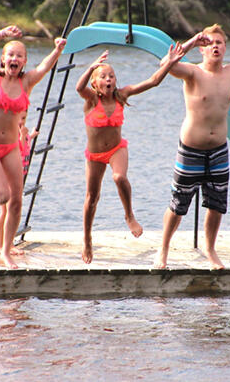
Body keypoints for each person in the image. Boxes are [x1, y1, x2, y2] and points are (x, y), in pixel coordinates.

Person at [154, 24, 230, 269]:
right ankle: (163, 250)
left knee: (216, 204)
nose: (215, 47)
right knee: (178, 205)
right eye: (210, 44)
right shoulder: (192, 73)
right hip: (191, 149)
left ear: (225, 47)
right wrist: (190, 42)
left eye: (219, 43)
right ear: (202, 50)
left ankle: (210, 250)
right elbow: (165, 65)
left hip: (219, 150)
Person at [0, 26, 66, 269]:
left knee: (16, 201)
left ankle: (5, 251)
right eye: (11, 55)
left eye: (19, 56)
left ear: (24, 61)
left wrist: (57, 50)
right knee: (1, 196)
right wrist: (2, 34)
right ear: (3, 59)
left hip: (11, 147)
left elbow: (45, 68)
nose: (14, 59)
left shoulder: (26, 82)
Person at [76, 44, 185, 264]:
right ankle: (87, 239)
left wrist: (171, 62)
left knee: (119, 177)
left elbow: (152, 81)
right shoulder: (91, 100)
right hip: (95, 155)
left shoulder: (121, 96)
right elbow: (79, 87)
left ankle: (129, 216)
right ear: (95, 84)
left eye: (112, 76)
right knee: (92, 198)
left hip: (117, 149)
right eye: (103, 77)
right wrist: (91, 68)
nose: (109, 80)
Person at [0, 110, 37, 255]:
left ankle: (5, 244)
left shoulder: (21, 134)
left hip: (17, 178)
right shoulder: (11, 134)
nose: (21, 122)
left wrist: (30, 135)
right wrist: (23, 135)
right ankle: (5, 245)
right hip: (8, 178)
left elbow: (25, 145)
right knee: (7, 211)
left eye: (24, 118)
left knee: (9, 211)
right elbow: (16, 149)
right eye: (18, 119)